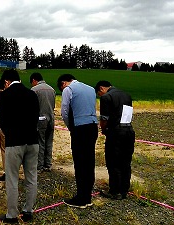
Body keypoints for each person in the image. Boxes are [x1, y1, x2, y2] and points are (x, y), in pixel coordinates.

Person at [0, 69, 39, 224]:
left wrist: (11, 133)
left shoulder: (5, 96)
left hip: (15, 142)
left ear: (6, 82)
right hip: (33, 141)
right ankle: (28, 211)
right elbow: (36, 117)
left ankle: (12, 215)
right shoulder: (32, 94)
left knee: (13, 179)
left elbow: (3, 122)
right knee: (31, 177)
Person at [57, 74, 98, 208]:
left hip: (80, 128)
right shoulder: (90, 89)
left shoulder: (68, 90)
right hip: (93, 126)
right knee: (89, 161)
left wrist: (71, 128)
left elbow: (64, 112)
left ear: (63, 83)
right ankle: (88, 195)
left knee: (80, 163)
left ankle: (81, 198)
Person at [95, 80, 135, 200]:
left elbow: (104, 118)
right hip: (129, 131)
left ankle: (115, 191)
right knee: (126, 162)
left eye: (99, 93)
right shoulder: (126, 95)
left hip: (116, 132)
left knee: (113, 161)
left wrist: (103, 129)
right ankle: (124, 189)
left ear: (101, 88)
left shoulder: (107, 97)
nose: (100, 96)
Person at [30, 72, 56, 173]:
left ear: (34, 80)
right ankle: (48, 165)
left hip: (40, 119)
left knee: (40, 142)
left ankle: (39, 166)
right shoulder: (52, 89)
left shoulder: (34, 90)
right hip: (51, 118)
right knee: (49, 142)